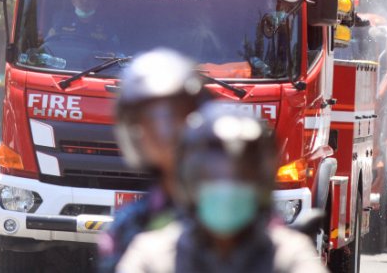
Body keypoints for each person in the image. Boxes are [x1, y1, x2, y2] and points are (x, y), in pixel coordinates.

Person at [116, 103, 327, 273]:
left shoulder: (290, 255)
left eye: (241, 176)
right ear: (189, 183)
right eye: (212, 177)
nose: (226, 188)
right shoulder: (152, 256)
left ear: (261, 182)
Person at [97, 48, 207, 273]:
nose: (166, 131)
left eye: (177, 115)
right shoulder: (128, 226)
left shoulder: (237, 210)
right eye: (150, 121)